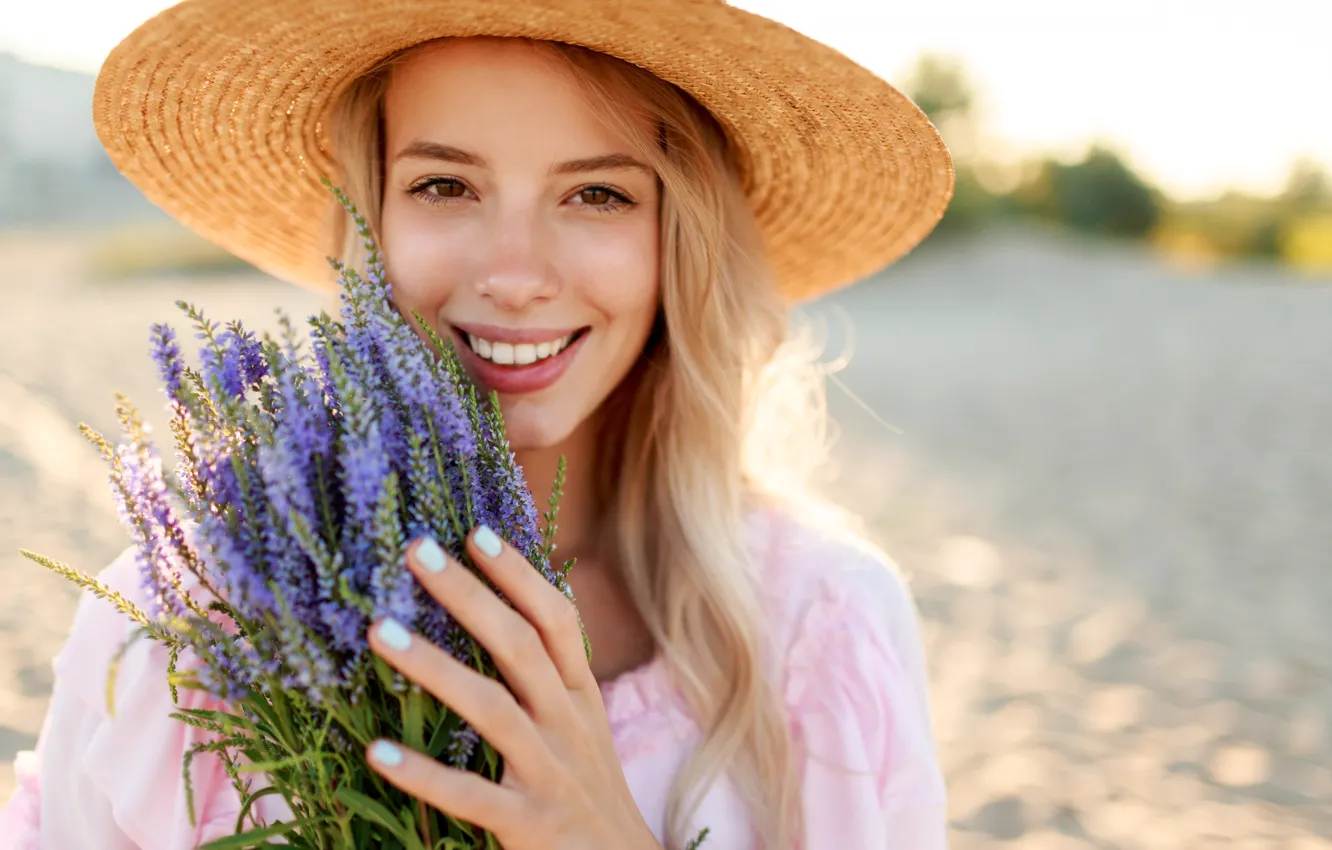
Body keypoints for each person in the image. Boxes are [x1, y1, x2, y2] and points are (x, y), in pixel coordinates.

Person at [0, 1, 955, 848]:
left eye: (598, 193)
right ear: (369, 216)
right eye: (444, 186)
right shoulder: (192, 623)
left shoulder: (821, 629)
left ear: (681, 236)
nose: (514, 272)